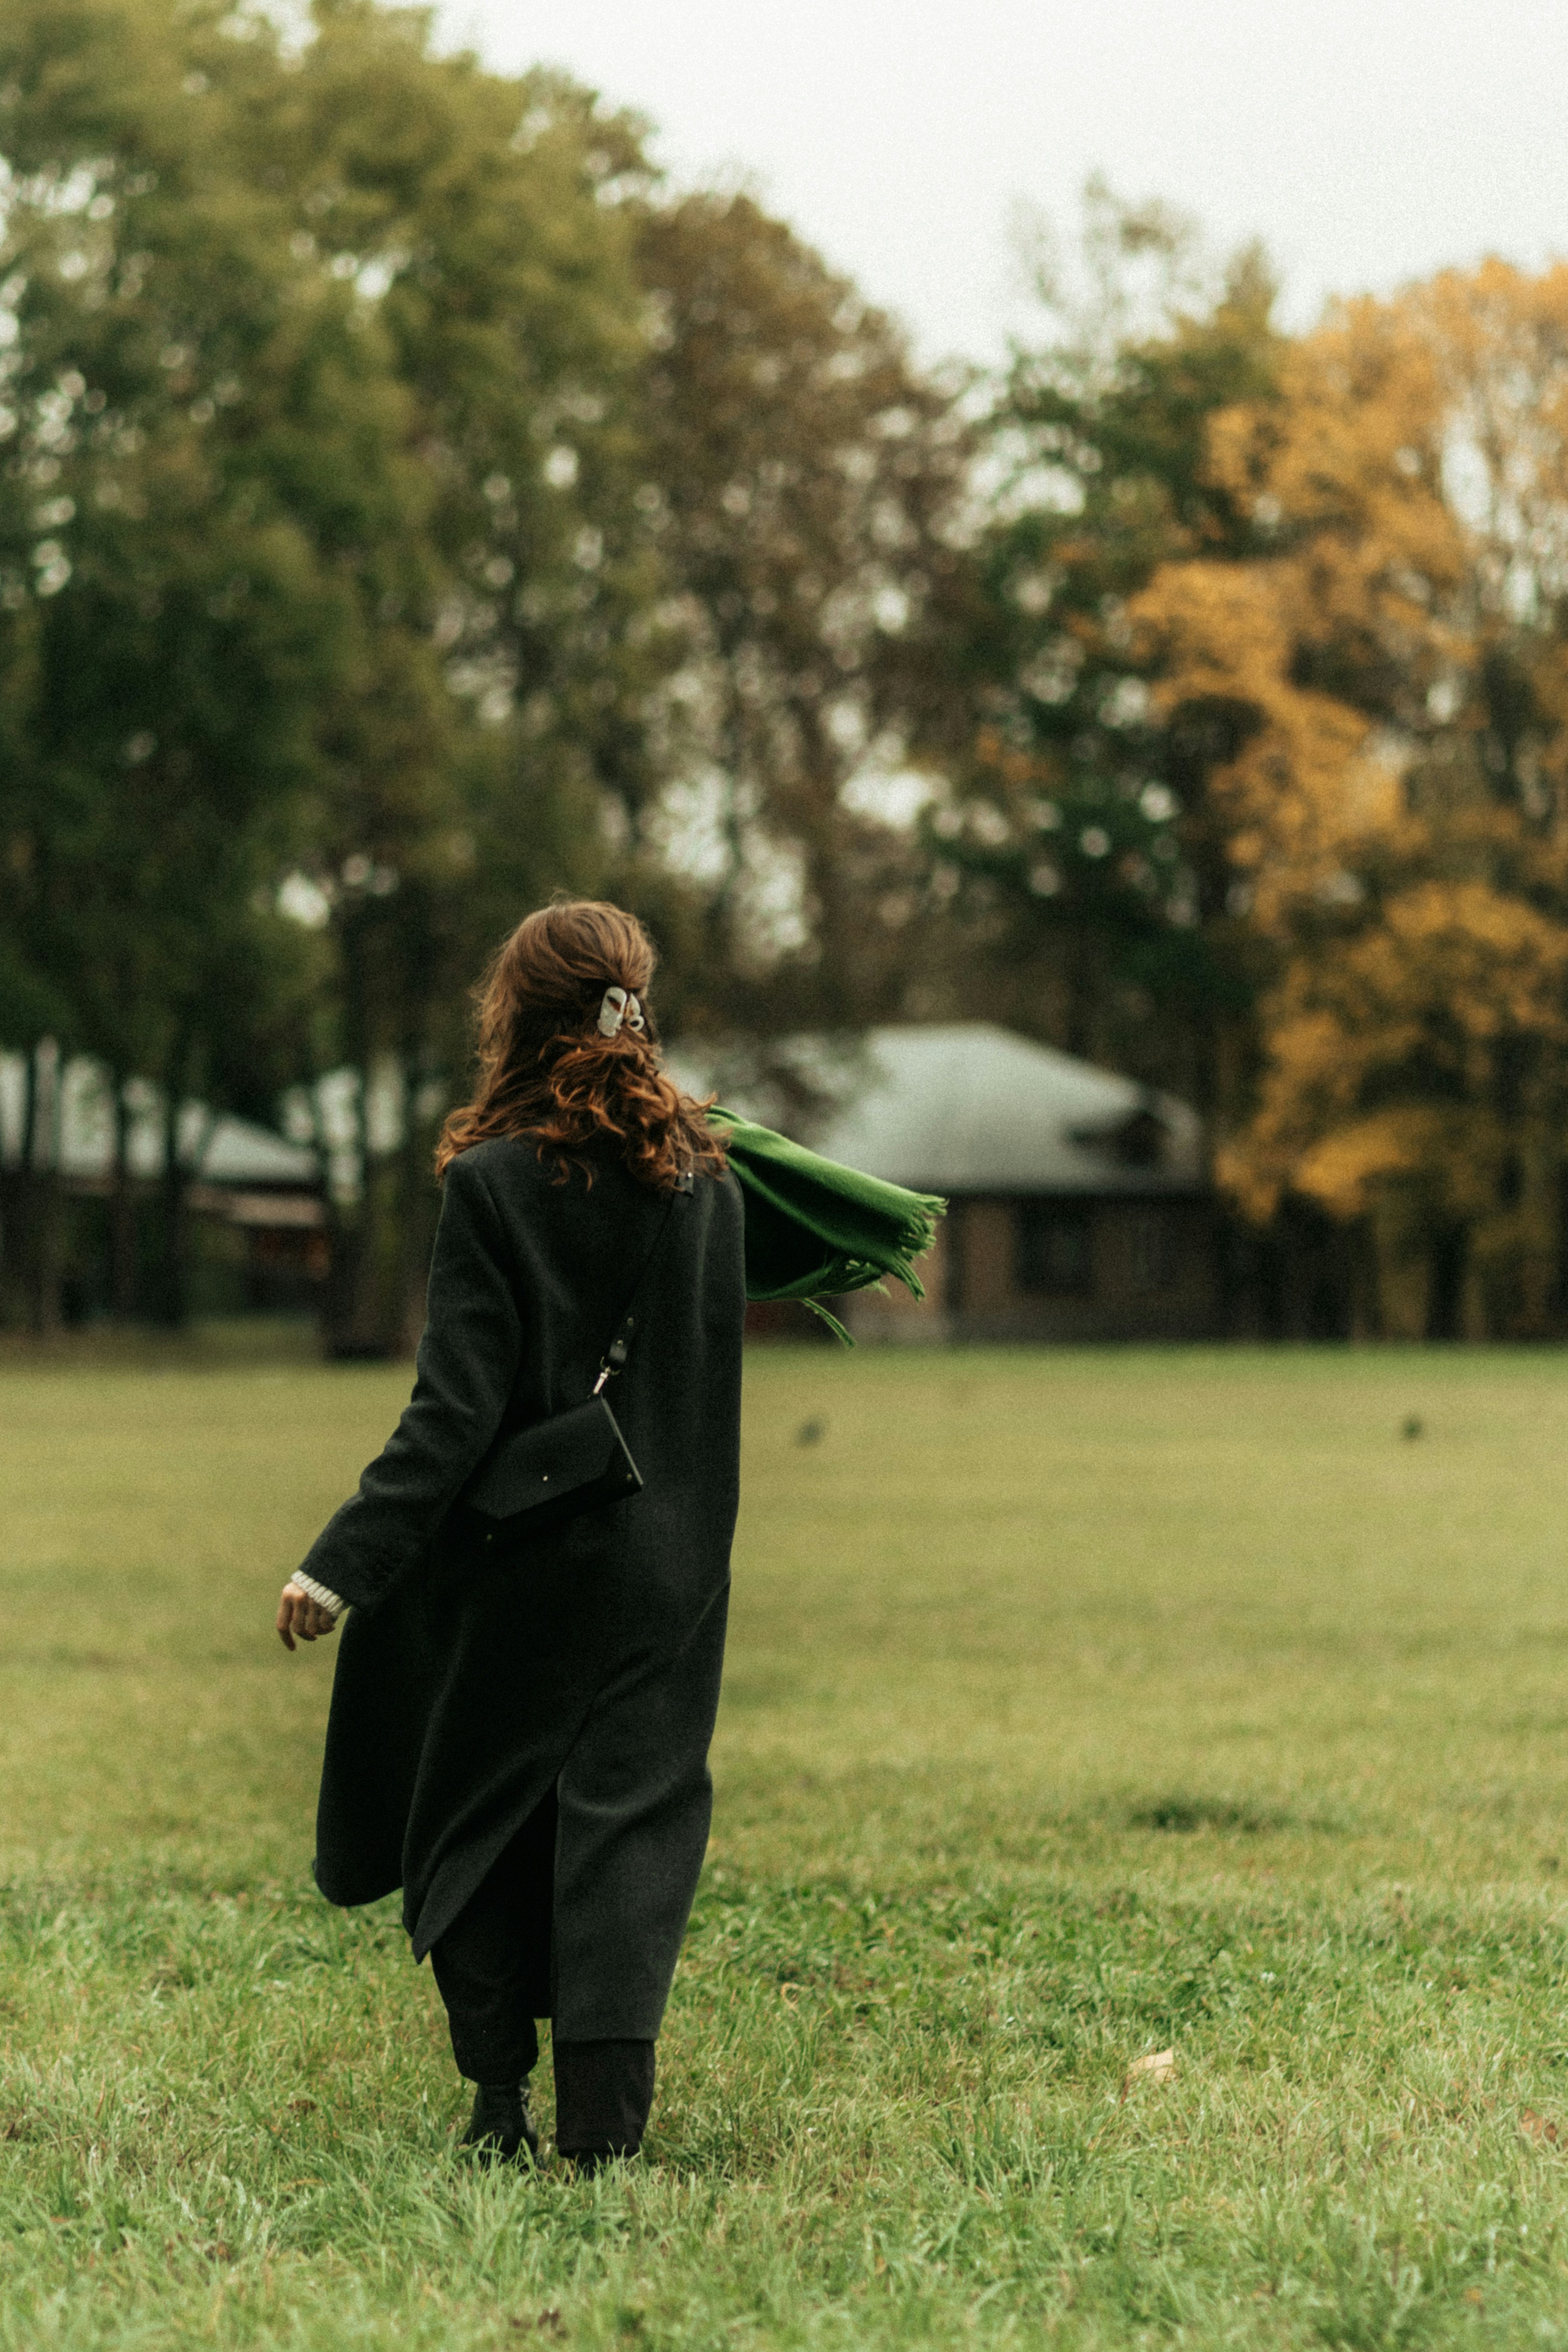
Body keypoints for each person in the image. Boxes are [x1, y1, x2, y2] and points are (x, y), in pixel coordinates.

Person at [276, 899, 744, 2172]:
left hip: (526, 1562)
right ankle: (603, 2136)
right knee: (628, 1825)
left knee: (476, 1815)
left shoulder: (492, 1182)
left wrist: (337, 1566)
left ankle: (498, 2107)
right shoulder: (709, 1182)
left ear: (516, 1013)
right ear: (632, 1006)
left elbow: (454, 1413)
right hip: (674, 1574)